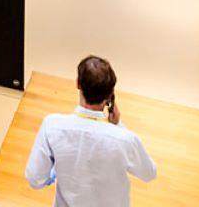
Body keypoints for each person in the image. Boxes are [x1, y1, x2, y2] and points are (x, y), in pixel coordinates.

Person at [24, 54, 157, 207]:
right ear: (110, 93)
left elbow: (35, 179)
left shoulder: (51, 126)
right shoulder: (126, 140)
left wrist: (54, 172)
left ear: (78, 84)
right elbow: (149, 173)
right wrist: (118, 124)